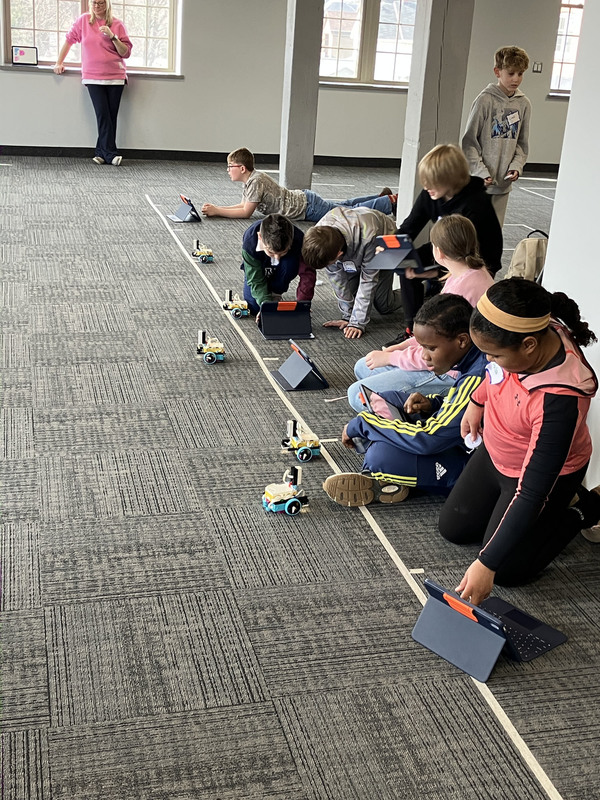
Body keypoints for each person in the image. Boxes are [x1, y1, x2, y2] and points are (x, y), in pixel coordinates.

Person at [438, 278, 600, 606]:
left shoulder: (560, 399)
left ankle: (588, 505)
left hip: (539, 473)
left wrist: (486, 564)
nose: (487, 360)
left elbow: (531, 492)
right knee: (454, 529)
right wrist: (478, 400)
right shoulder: (521, 334)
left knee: (507, 571)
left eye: (494, 355)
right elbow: (493, 375)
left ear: (528, 346)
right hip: (497, 450)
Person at [322, 294, 488, 506]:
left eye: (431, 348)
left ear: (462, 341)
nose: (425, 356)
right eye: (422, 347)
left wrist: (364, 424)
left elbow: (430, 439)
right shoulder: (471, 362)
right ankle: (393, 465)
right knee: (389, 399)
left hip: (470, 465)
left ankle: (390, 473)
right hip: (453, 441)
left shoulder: (476, 376)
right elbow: (455, 407)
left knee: (380, 457)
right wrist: (434, 404)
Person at [347, 214, 494, 410]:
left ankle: (413, 417)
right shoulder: (468, 273)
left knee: (357, 395)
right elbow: (432, 336)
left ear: (438, 251)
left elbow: (434, 352)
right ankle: (405, 404)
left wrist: (391, 358)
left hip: (448, 371)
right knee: (363, 366)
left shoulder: (464, 288)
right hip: (442, 360)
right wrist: (400, 347)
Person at [389, 144, 502, 346]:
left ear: (449, 179)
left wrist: (430, 273)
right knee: (406, 265)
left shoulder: (476, 205)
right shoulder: (431, 194)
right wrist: (389, 248)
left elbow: (470, 260)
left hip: (475, 260)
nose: (426, 187)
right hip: (444, 251)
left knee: (449, 300)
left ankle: (435, 334)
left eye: (432, 182)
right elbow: (410, 226)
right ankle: (413, 330)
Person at [200, 148, 396, 221]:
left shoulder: (256, 181)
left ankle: (389, 202)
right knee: (345, 204)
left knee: (347, 212)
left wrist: (218, 210)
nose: (228, 170)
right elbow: (243, 205)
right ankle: (380, 198)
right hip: (305, 200)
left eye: (230, 166)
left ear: (242, 168)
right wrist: (218, 208)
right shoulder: (251, 180)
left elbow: (245, 213)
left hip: (306, 207)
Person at [301, 206, 402, 339]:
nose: (329, 267)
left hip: (386, 242)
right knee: (353, 299)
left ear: (339, 254)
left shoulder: (369, 237)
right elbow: (337, 280)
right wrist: (348, 317)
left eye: (329, 263)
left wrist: (357, 323)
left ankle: (424, 287)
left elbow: (369, 280)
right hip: (353, 247)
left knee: (383, 305)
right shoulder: (319, 236)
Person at [53, 0, 132, 167]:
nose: (97, 6)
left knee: (110, 116)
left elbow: (126, 53)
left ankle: (100, 152)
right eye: (94, 2)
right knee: (102, 114)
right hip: (93, 76)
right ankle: (111, 153)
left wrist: (112, 36)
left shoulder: (117, 24)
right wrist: (58, 62)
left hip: (115, 76)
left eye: (101, 2)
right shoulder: (83, 21)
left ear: (107, 4)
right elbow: (69, 40)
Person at [462, 46, 531, 228]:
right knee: (472, 233)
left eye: (520, 73)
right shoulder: (485, 100)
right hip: (479, 184)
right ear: (497, 72)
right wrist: (480, 172)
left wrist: (516, 167)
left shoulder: (524, 104)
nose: (516, 79)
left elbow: (522, 144)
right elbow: (469, 142)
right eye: (511, 73)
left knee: (494, 235)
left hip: (503, 186)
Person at [241, 214, 318, 315]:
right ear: (260, 237)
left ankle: (276, 291)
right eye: (271, 252)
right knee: (254, 307)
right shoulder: (250, 242)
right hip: (259, 267)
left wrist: (303, 304)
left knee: (288, 265)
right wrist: (266, 305)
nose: (276, 258)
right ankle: (267, 296)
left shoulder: (300, 240)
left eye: (282, 253)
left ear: (290, 243)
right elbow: (255, 279)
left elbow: (308, 275)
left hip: (287, 263)